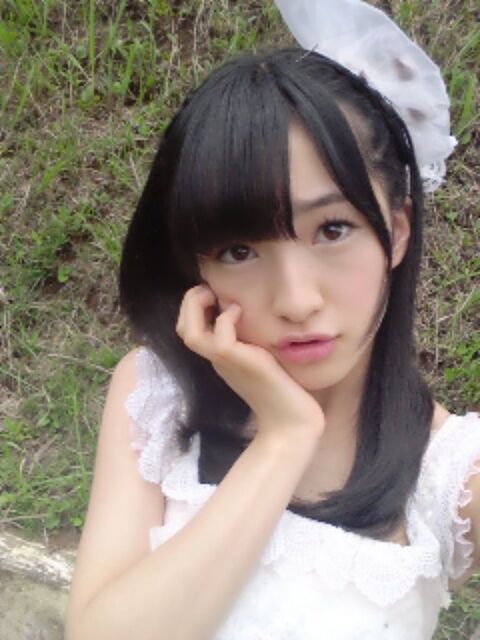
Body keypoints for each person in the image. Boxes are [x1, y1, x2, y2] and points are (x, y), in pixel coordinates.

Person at [65, 2, 480, 639]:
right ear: (197, 266)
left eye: (333, 229)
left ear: (396, 231)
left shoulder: (453, 474)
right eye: (240, 250)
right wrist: (284, 437)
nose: (296, 299)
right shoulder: (157, 394)